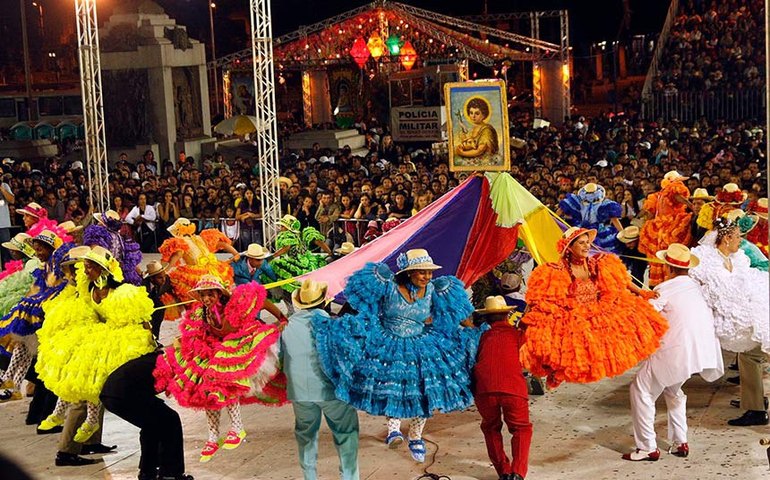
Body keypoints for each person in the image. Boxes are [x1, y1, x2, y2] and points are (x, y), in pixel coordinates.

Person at [311, 249, 480, 463]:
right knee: (394, 386)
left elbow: (455, 314)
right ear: (409, 273)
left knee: (425, 390)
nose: (427, 277)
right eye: (422, 272)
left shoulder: (434, 290)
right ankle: (394, 430)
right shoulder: (387, 285)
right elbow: (362, 307)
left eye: (429, 272)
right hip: (388, 342)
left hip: (422, 344)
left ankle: (416, 436)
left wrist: (473, 330)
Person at [153, 275, 289, 463]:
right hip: (213, 348)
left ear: (219, 293)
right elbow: (194, 332)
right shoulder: (201, 312)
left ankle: (237, 427)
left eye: (210, 294)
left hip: (237, 344)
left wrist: (282, 318)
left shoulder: (234, 304)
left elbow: (262, 301)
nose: (207, 298)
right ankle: (212, 436)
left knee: (225, 381)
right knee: (206, 391)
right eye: (203, 295)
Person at [36, 245, 157, 444]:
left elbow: (142, 320)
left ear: (103, 270)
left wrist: (150, 339)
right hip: (99, 334)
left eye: (90, 266)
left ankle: (90, 419)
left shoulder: (123, 292)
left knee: (95, 375)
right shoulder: (88, 288)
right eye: (85, 266)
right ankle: (61, 412)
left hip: (121, 337)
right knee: (78, 370)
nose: (85, 270)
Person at [520, 227, 668, 388]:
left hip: (597, 310)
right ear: (569, 247)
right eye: (581, 243)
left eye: (588, 242)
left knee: (630, 320)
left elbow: (620, 279)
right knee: (564, 345)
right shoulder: (557, 271)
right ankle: (556, 372)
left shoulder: (596, 263)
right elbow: (541, 296)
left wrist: (641, 292)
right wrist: (529, 312)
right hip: (574, 315)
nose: (587, 246)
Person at [623, 244, 723, 461]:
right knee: (673, 390)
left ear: (668, 267)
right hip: (699, 351)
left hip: (675, 351)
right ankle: (681, 442)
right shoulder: (694, 287)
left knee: (640, 391)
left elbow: (645, 313)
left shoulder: (666, 288)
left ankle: (646, 447)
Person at [691, 218, 769, 427]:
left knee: (752, 355)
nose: (741, 241)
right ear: (726, 238)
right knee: (750, 356)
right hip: (741, 319)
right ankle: (755, 405)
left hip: (753, 313)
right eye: (738, 237)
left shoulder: (740, 257)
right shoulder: (707, 259)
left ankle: (756, 408)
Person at [282, 279, 360, 480]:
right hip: (331, 392)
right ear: (323, 302)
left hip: (299, 393)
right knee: (346, 435)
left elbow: (282, 360)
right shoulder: (332, 325)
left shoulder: (287, 328)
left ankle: (310, 477)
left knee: (306, 437)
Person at [0, 231, 72, 401]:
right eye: (36, 250)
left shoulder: (58, 267)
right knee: (23, 346)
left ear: (50, 249)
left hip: (50, 317)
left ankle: (11, 382)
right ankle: (12, 383)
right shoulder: (45, 267)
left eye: (41, 250)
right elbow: (37, 290)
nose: (38, 253)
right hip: (37, 316)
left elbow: (57, 290)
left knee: (24, 346)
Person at [101, 351, 194, 480]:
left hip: (113, 393)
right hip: (123, 393)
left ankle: (148, 471)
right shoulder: (178, 363)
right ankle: (170, 473)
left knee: (153, 425)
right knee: (170, 420)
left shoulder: (166, 357)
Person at [472, 296, 531, 480]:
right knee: (521, 429)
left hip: (484, 390)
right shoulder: (517, 335)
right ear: (507, 315)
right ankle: (518, 473)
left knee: (491, 428)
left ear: (488, 319)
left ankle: (504, 472)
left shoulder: (481, 337)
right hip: (513, 389)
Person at [159, 217, 238, 304]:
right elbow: (223, 244)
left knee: (198, 297)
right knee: (218, 292)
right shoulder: (200, 238)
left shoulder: (181, 242)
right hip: (215, 267)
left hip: (197, 272)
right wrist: (236, 254)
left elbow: (178, 255)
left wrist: (167, 269)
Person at [638, 171, 693, 286]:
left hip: (659, 225)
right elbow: (680, 198)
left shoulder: (659, 194)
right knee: (668, 251)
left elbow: (651, 213)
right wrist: (691, 207)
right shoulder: (671, 190)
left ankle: (659, 281)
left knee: (660, 254)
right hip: (669, 224)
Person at [84, 210, 143, 285]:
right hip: (119, 271)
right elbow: (131, 260)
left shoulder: (98, 234)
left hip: (103, 270)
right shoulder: (120, 237)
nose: (98, 223)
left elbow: (95, 253)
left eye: (99, 221)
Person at [558, 183, 623, 252]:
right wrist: (551, 218)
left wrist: (623, 233)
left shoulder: (604, 203)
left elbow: (614, 219)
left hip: (598, 230)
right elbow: (561, 209)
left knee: (600, 252)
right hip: (581, 229)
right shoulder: (578, 200)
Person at [454, 97, 500, 165]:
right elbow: (467, 141)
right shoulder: (473, 128)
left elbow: (480, 150)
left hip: (486, 163)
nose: (473, 116)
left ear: (484, 115)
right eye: (471, 113)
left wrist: (462, 153)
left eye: (477, 113)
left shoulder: (486, 130)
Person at [143, 260, 173, 342]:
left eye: (164, 276)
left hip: (154, 300)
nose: (163, 280)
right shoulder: (143, 286)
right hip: (143, 305)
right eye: (160, 278)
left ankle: (155, 338)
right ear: (152, 279)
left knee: (160, 309)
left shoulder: (164, 281)